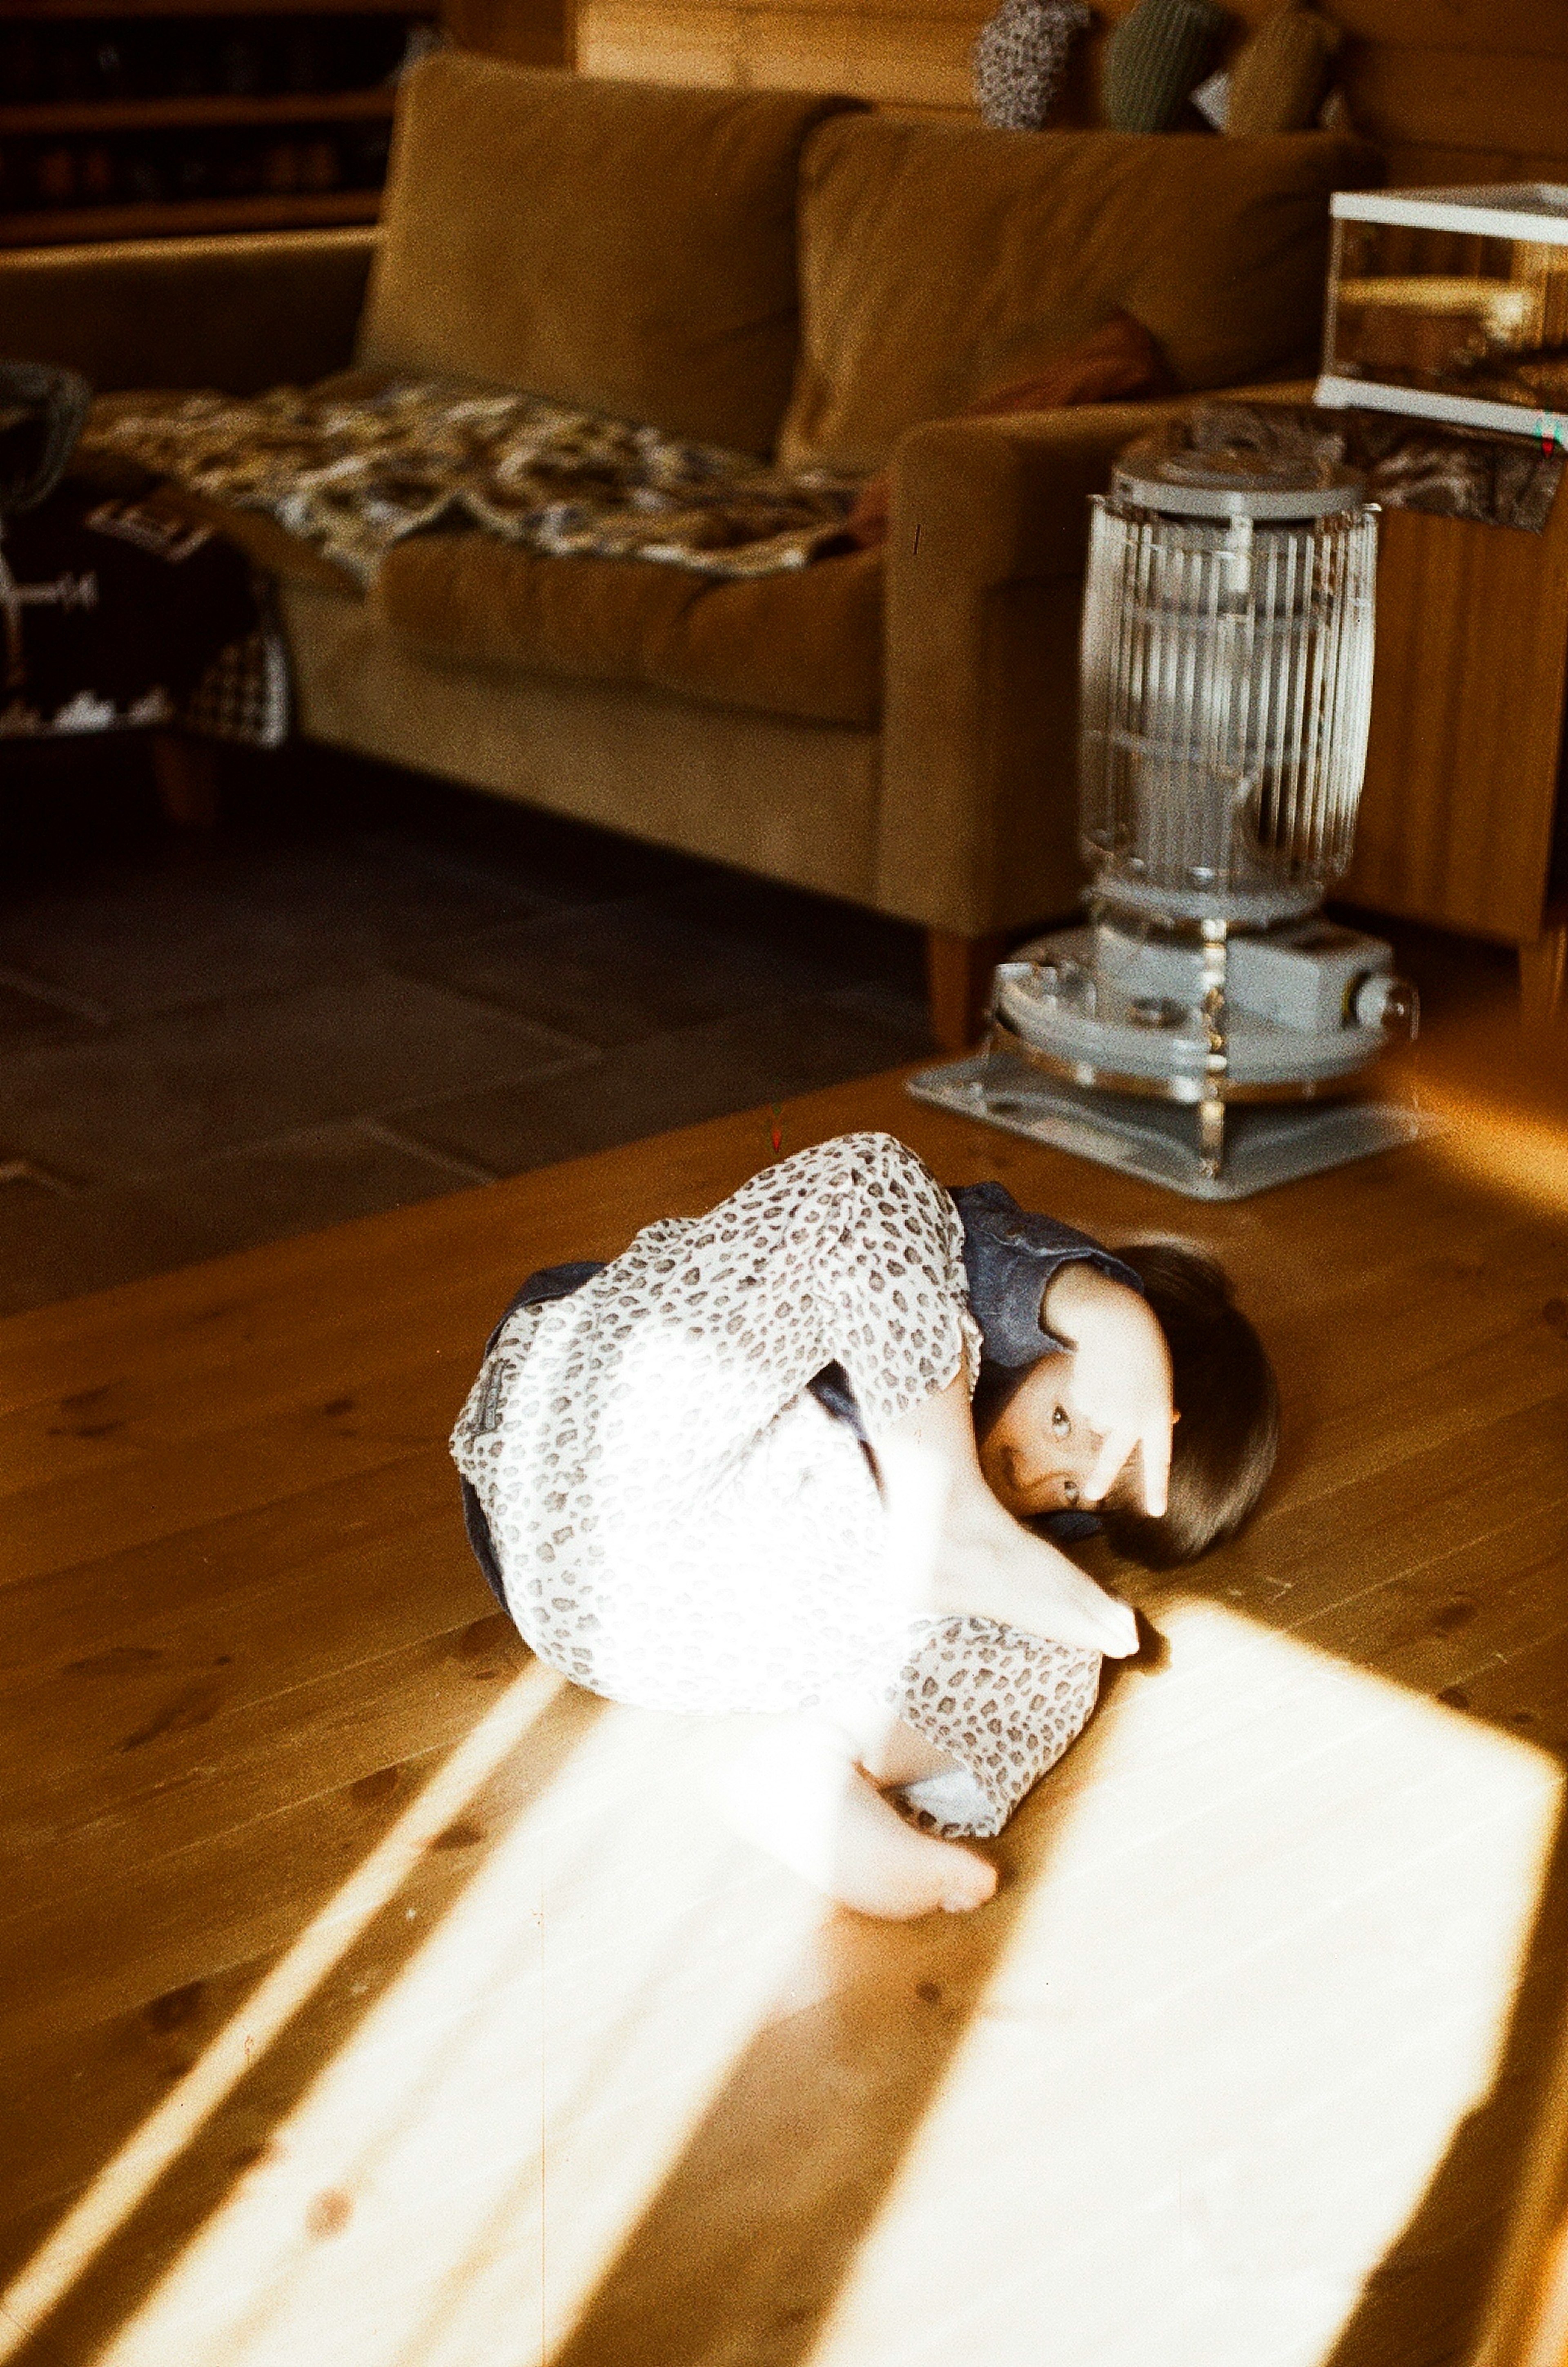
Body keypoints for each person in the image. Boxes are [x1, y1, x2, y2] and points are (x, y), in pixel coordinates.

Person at [452, 1132, 1278, 1920]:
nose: (1033, 1475)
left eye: (1075, 1490)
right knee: (875, 1183)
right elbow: (956, 1245)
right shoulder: (966, 1294)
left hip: (632, 1624)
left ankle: (814, 1769)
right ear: (1053, 1335)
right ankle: (945, 1500)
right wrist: (1105, 1309)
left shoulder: (975, 1550)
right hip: (592, 1432)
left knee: (1072, 1644)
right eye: (1063, 1420)